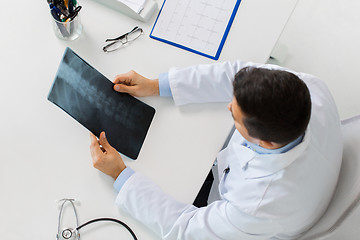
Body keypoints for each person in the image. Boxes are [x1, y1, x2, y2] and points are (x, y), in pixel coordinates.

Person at [89, 61, 343, 240]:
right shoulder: (308, 88)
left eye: (235, 116)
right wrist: (157, 85)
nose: (228, 107)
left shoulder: (258, 204)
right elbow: (237, 74)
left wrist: (120, 174)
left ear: (264, 143)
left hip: (261, 227)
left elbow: (186, 229)